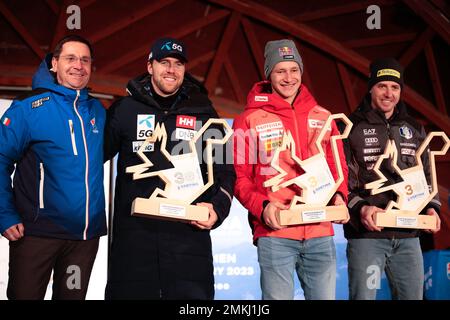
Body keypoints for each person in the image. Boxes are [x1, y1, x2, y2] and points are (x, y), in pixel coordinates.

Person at [104, 37, 236, 300]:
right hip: (134, 245)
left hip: (187, 244)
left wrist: (217, 209)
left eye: (178, 64)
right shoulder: (125, 110)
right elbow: (90, 161)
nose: (171, 70)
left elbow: (225, 170)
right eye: (164, 62)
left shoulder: (204, 113)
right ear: (150, 66)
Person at [232, 39, 349, 300]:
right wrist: (263, 207)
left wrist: (339, 195)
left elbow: (336, 166)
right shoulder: (248, 119)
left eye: (294, 69)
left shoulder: (323, 116)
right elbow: (239, 178)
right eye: (280, 71)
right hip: (276, 232)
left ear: (301, 71)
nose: (288, 77)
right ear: (269, 75)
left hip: (319, 230)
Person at [0, 35, 106, 300]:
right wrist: (5, 215)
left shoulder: (98, 111)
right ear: (54, 64)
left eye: (85, 60)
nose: (78, 66)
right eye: (70, 58)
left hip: (84, 239)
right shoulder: (28, 108)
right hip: (37, 233)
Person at [343, 58, 441, 300]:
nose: (389, 93)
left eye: (395, 87)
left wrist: (432, 207)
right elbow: (340, 181)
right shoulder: (350, 127)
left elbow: (428, 174)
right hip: (367, 236)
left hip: (408, 236)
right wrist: (362, 209)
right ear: (371, 88)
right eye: (382, 86)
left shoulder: (414, 128)